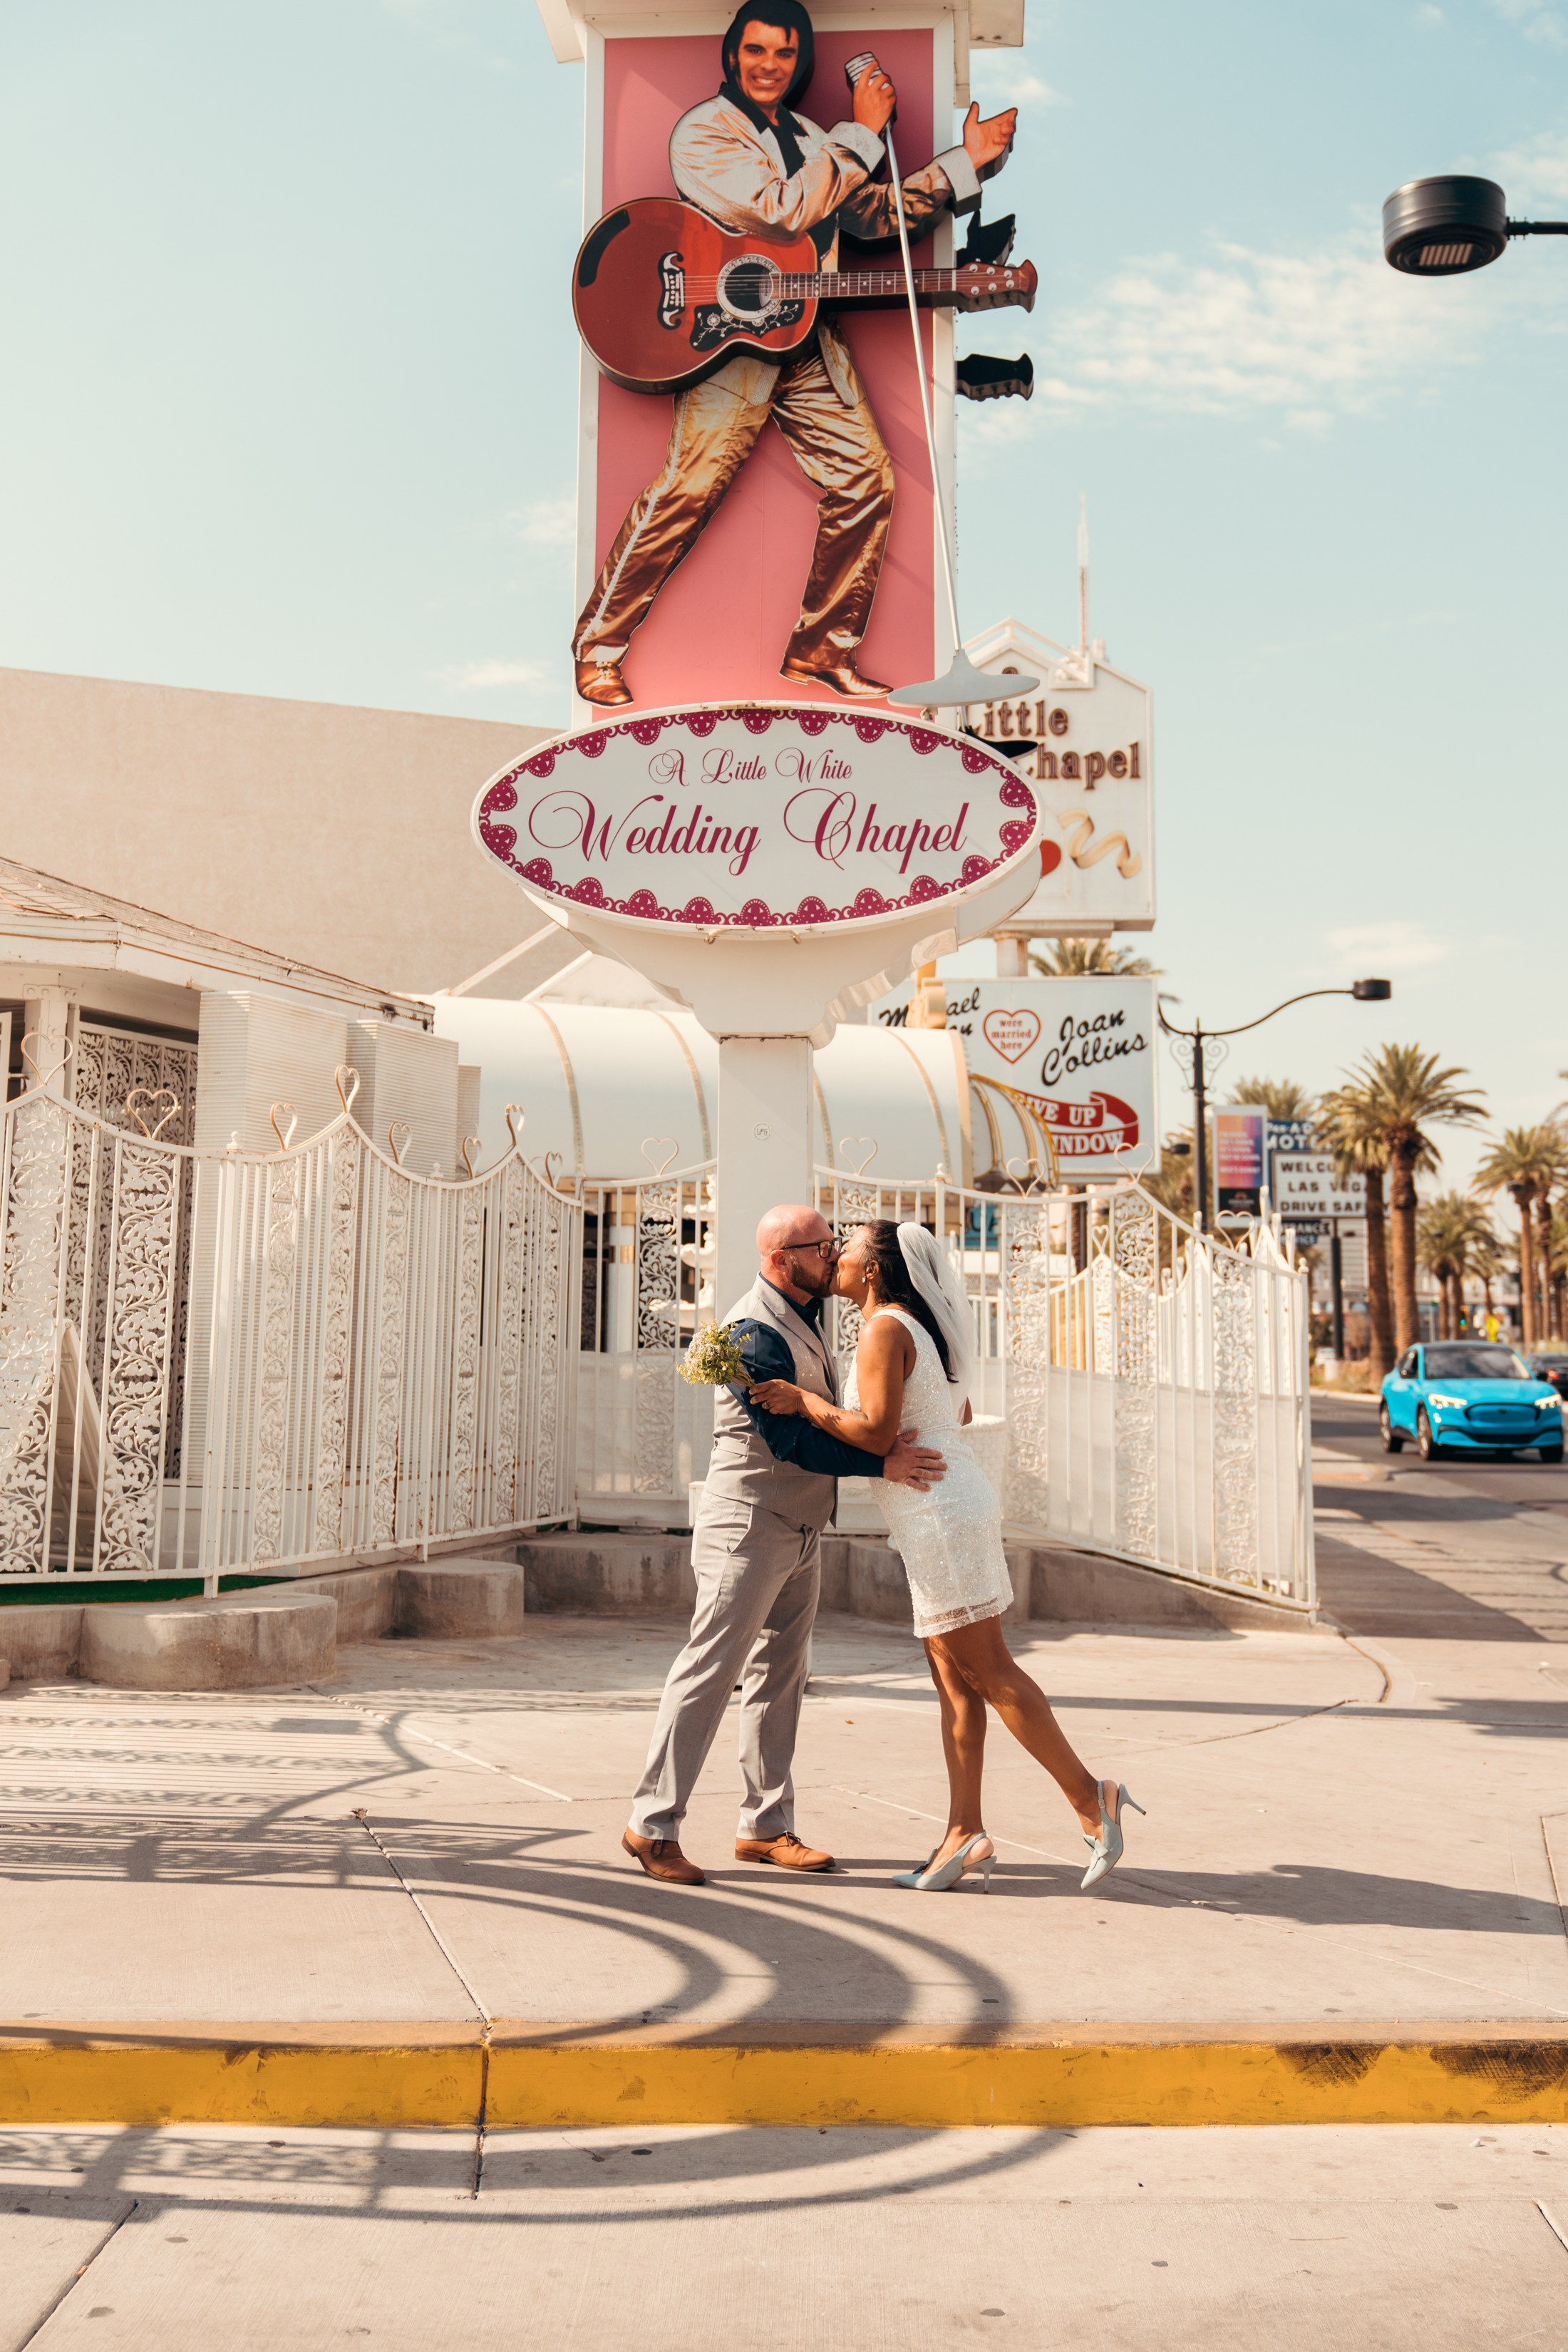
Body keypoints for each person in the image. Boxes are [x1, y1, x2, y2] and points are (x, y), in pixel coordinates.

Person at [574, 0, 1018, 707]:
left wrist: (965, 165)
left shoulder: (813, 135)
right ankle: (600, 645)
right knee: (687, 493)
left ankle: (820, 653)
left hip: (804, 338)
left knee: (867, 483)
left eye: (783, 54)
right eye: (755, 51)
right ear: (731, 55)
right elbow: (780, 208)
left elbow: (868, 214)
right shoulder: (703, 133)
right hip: (726, 340)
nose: (769, 66)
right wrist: (862, 134)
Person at [751, 1219, 1143, 1894]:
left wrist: (806, 1402)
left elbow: (874, 1432)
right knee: (955, 1683)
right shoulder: (912, 1327)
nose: (834, 1256)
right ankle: (964, 1834)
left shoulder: (883, 1329)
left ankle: (1091, 1797)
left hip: (939, 1514)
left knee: (990, 1673)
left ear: (873, 1269)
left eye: (844, 1249)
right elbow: (950, 1418)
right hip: (938, 1507)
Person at [622, 1204, 947, 1886]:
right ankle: (651, 1826)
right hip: (749, 1526)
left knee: (782, 1677)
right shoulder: (749, 1331)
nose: (832, 1254)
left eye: (834, 1242)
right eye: (819, 1245)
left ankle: (765, 1827)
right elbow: (789, 1439)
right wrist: (880, 1463)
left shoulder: (811, 1313)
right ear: (780, 1259)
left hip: (799, 1527)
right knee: (710, 1670)